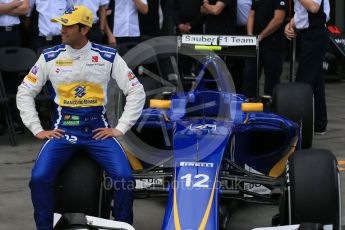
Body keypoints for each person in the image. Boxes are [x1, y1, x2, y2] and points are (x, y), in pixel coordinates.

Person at [16, 5, 145, 229]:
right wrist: (37, 128)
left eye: (67, 26)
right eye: (62, 25)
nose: (62, 30)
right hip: (63, 132)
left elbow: (136, 91)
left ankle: (123, 226)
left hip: (98, 133)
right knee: (38, 178)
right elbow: (24, 91)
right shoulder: (49, 56)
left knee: (124, 178)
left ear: (84, 29)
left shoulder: (107, 56)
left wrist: (120, 127)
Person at [284, 0, 330, 135]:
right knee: (316, 82)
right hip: (310, 34)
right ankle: (320, 125)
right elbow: (303, 12)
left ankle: (300, 128)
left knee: (303, 82)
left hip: (314, 35)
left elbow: (314, 7)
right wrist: (290, 24)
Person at [242, 0, 287, 98]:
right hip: (255, 43)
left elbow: (278, 19)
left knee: (272, 81)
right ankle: (248, 106)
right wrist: (250, 36)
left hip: (273, 44)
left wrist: (261, 36)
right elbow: (251, 14)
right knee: (249, 76)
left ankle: (271, 110)